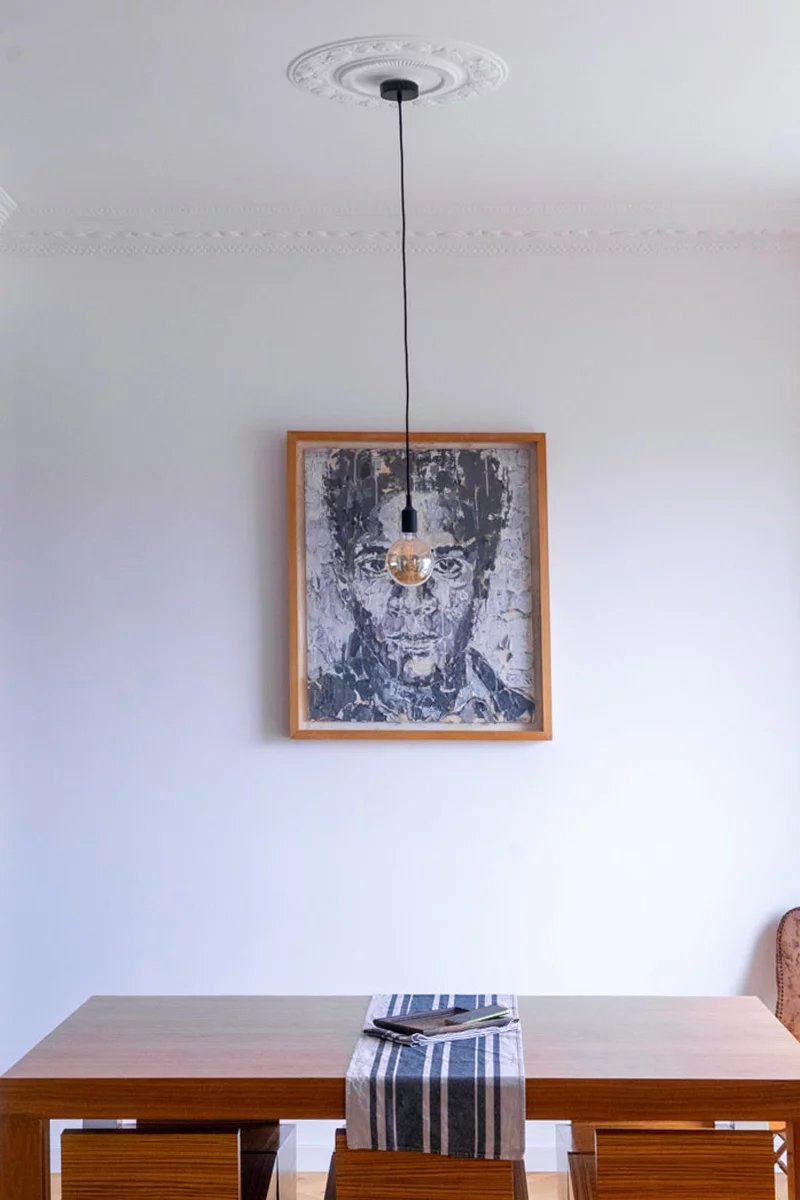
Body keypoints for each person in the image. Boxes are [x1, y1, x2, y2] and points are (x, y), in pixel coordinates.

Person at [308, 446, 534, 725]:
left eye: (447, 565)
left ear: (482, 578)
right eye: (377, 566)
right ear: (345, 580)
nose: (413, 603)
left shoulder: (517, 714)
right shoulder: (318, 710)